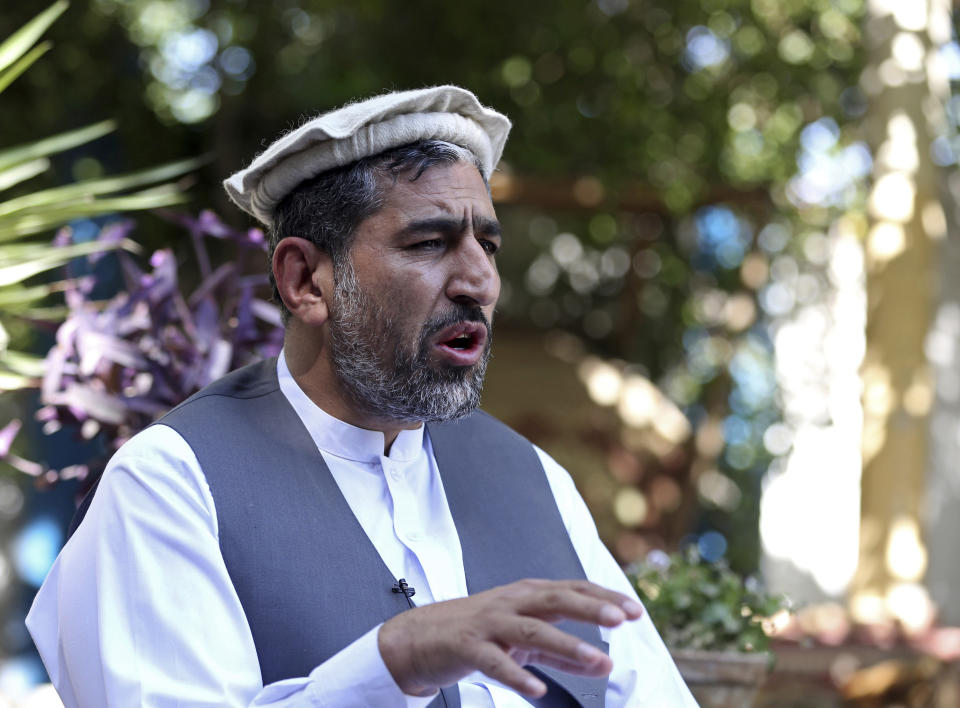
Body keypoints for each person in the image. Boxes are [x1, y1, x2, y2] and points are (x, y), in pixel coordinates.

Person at [27, 86, 698, 707]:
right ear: (305, 281)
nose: (478, 280)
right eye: (429, 242)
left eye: (487, 244)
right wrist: (390, 663)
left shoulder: (536, 479)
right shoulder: (171, 484)